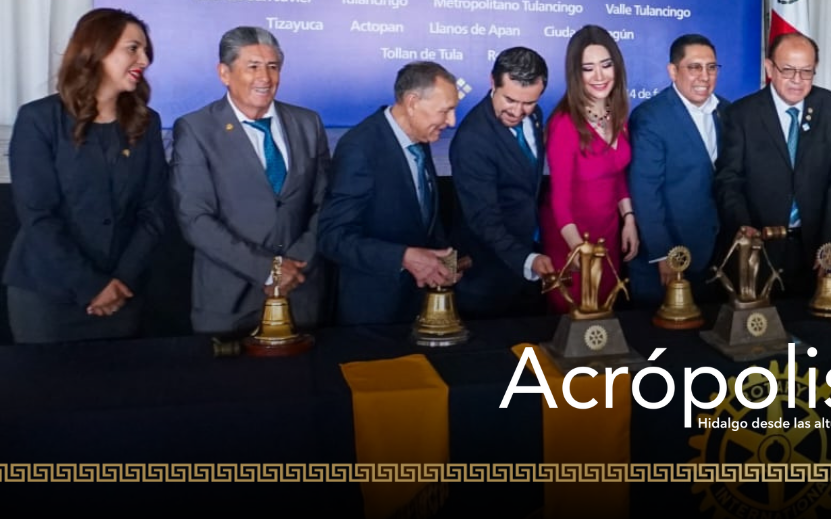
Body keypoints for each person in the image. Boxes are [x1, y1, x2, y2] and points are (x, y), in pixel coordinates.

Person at [5, 8, 169, 343]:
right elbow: (38, 216)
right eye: (133, 48)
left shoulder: (146, 123)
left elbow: (153, 213)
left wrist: (120, 282)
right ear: (96, 50)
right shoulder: (39, 119)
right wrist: (92, 286)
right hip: (48, 297)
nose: (145, 60)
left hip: (123, 293)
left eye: (146, 50)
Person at [169, 26, 330, 337]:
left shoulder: (308, 123)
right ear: (224, 73)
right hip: (231, 298)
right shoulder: (196, 129)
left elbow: (325, 202)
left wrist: (294, 265)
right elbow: (195, 218)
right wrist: (267, 271)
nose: (265, 78)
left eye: (273, 67)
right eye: (253, 67)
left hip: (301, 291)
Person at [318, 62, 460, 324]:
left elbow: (423, 215)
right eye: (446, 111)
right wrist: (403, 257)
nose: (451, 121)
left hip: (416, 307)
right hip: (373, 315)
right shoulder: (360, 148)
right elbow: (332, 237)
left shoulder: (421, 136)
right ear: (413, 102)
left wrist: (444, 260)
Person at [714, 32, 831, 300]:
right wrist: (745, 229)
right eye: (788, 70)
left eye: (806, 71)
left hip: (813, 252)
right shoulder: (742, 114)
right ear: (769, 68)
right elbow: (728, 180)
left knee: (817, 335)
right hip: (757, 250)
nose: (797, 80)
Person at [540, 25, 637, 314]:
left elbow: (616, 173)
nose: (599, 76)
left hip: (608, 234)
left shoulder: (617, 115)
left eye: (606, 65)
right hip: (571, 239)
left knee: (605, 313)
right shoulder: (564, 124)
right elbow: (559, 197)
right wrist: (576, 250)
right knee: (576, 318)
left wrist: (628, 218)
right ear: (575, 74)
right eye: (588, 68)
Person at [626, 34, 729, 305]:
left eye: (711, 67)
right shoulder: (650, 117)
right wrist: (663, 253)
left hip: (716, 256)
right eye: (694, 67)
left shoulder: (727, 112)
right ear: (673, 71)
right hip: (668, 257)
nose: (704, 76)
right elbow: (646, 191)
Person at [449, 47, 551, 318]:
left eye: (528, 102)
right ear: (492, 82)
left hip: (526, 264)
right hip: (487, 274)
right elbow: (484, 221)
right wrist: (528, 260)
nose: (518, 111)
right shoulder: (473, 139)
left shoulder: (536, 116)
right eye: (510, 99)